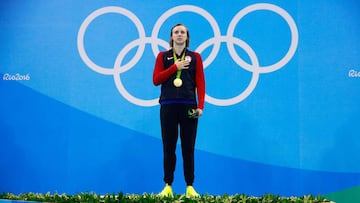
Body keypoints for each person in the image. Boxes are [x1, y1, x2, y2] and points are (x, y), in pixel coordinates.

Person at [152, 23, 205, 198]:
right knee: (169, 147)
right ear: (172, 37)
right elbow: (156, 79)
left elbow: (201, 83)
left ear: (187, 37)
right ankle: (168, 185)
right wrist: (175, 67)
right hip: (168, 105)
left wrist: (200, 106)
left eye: (183, 32)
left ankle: (190, 186)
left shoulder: (195, 57)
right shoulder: (162, 56)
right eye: (176, 32)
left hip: (189, 106)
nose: (180, 35)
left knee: (188, 147)